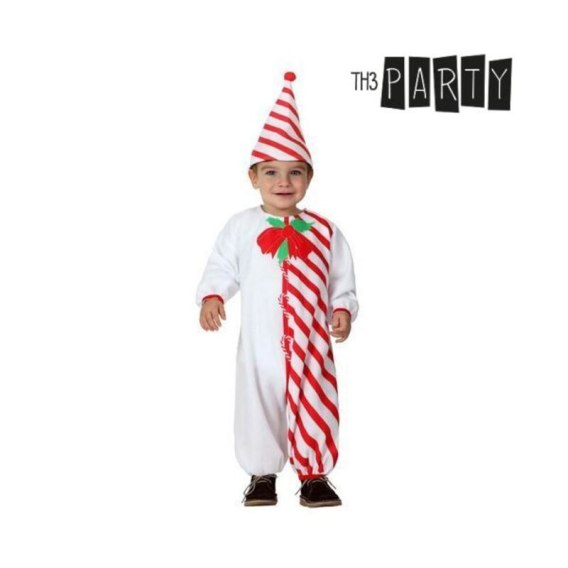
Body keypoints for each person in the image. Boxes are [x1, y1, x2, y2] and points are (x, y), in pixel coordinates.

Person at [196, 72, 359, 508]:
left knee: (315, 399)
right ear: (253, 177)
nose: (283, 182)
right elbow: (222, 265)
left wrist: (342, 307)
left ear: (309, 178)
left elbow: (341, 276)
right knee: (257, 403)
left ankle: (314, 474)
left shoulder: (325, 231)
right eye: (271, 172)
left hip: (310, 340)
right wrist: (213, 295)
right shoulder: (241, 227)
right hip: (261, 343)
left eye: (294, 173)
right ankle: (262, 474)